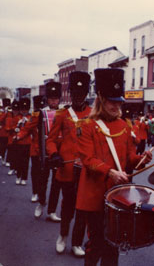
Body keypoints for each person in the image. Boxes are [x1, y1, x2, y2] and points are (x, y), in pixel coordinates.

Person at [76, 68, 152, 266]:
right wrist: (109, 171)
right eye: (112, 100)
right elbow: (88, 159)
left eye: (119, 100)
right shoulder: (87, 126)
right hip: (94, 194)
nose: (116, 105)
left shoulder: (125, 125)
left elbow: (129, 158)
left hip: (117, 194)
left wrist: (142, 159)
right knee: (96, 243)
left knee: (114, 243)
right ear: (100, 98)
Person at [46, 71, 92, 257]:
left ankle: (76, 243)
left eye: (81, 95)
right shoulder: (62, 114)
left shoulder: (93, 114)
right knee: (68, 206)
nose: (78, 98)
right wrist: (54, 153)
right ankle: (63, 236)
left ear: (86, 94)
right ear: (70, 95)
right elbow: (50, 140)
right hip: (66, 168)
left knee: (83, 208)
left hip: (87, 170)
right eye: (75, 94)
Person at [34, 81, 62, 222]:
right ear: (47, 99)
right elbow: (39, 134)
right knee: (42, 180)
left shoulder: (64, 112)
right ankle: (41, 202)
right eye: (51, 98)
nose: (53, 101)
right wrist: (40, 152)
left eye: (56, 98)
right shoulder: (42, 113)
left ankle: (51, 211)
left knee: (57, 183)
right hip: (45, 152)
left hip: (58, 153)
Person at [17, 95, 45, 202]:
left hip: (46, 149)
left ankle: (41, 194)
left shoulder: (50, 116)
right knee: (35, 172)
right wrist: (18, 136)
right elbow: (26, 129)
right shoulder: (34, 117)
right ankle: (35, 192)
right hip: (35, 149)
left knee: (44, 175)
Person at [12, 98, 32, 185]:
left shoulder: (31, 118)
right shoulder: (17, 118)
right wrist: (18, 126)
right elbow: (13, 128)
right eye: (22, 109)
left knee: (25, 162)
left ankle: (24, 178)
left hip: (27, 143)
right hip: (18, 143)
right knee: (18, 161)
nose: (24, 111)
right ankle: (18, 176)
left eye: (26, 109)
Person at [0, 98, 11, 165]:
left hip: (9, 132)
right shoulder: (2, 112)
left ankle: (7, 160)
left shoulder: (11, 112)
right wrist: (5, 113)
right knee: (2, 147)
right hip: (3, 132)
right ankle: (3, 158)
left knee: (9, 148)